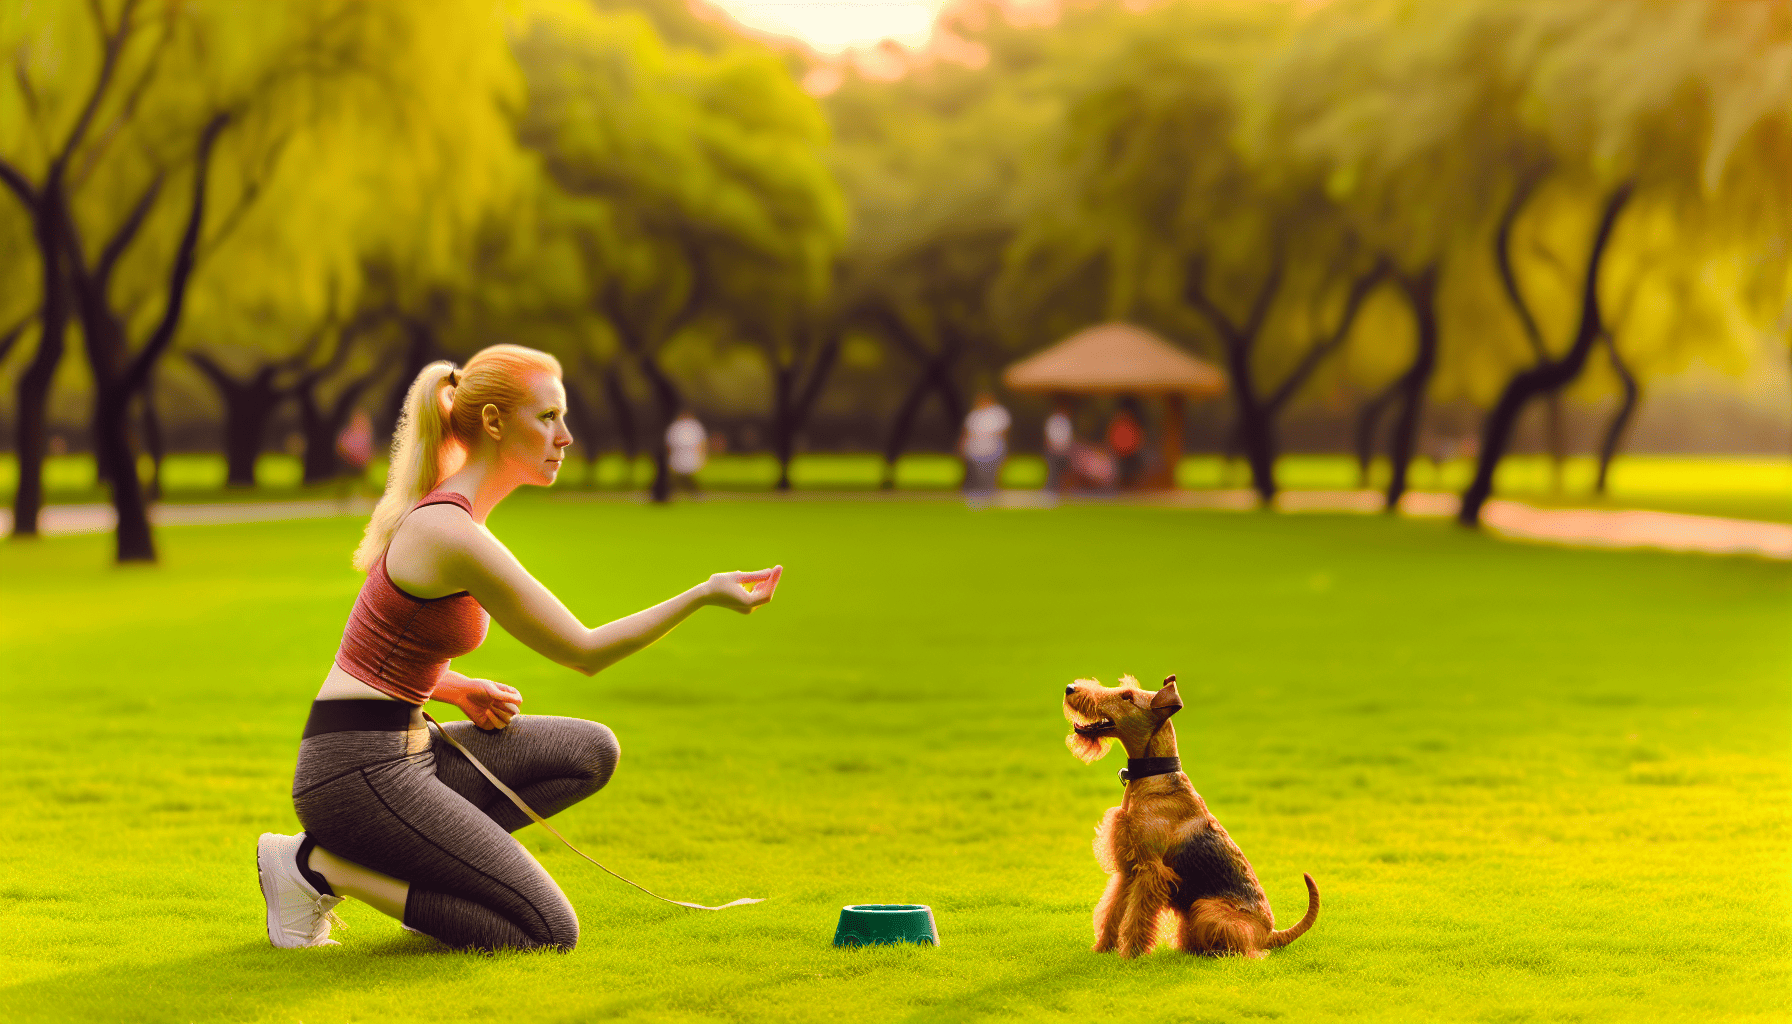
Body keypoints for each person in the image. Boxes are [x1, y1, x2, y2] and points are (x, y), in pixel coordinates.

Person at [257, 344, 782, 952]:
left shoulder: (458, 522)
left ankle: (430, 872)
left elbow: (380, 646)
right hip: (356, 773)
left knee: (589, 752)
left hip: (408, 748)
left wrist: (454, 686)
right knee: (546, 932)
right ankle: (317, 867)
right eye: (549, 417)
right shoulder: (449, 531)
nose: (566, 436)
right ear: (495, 423)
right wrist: (703, 594)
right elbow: (584, 651)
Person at [959, 392, 1011, 495]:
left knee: (990, 472)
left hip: (993, 448)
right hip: (975, 449)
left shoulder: (998, 413)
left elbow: (1003, 432)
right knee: (976, 473)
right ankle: (976, 493)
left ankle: (990, 493)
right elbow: (967, 433)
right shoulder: (974, 415)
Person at [665, 408, 708, 493]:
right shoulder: (677, 426)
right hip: (679, 454)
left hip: (689, 454)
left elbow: (702, 442)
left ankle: (692, 490)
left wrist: (702, 454)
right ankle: (689, 490)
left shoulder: (694, 426)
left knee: (683, 475)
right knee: (679, 475)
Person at [1106, 399, 1145, 489]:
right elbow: (1111, 440)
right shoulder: (1117, 423)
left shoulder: (1132, 424)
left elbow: (1138, 441)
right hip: (1119, 456)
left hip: (1132, 456)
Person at [1044, 401, 1074, 493]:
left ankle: (1064, 491)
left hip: (1064, 450)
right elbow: (1049, 436)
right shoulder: (1053, 419)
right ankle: (1051, 491)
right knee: (1053, 473)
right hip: (1054, 450)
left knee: (1064, 473)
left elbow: (1069, 436)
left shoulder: (1065, 420)